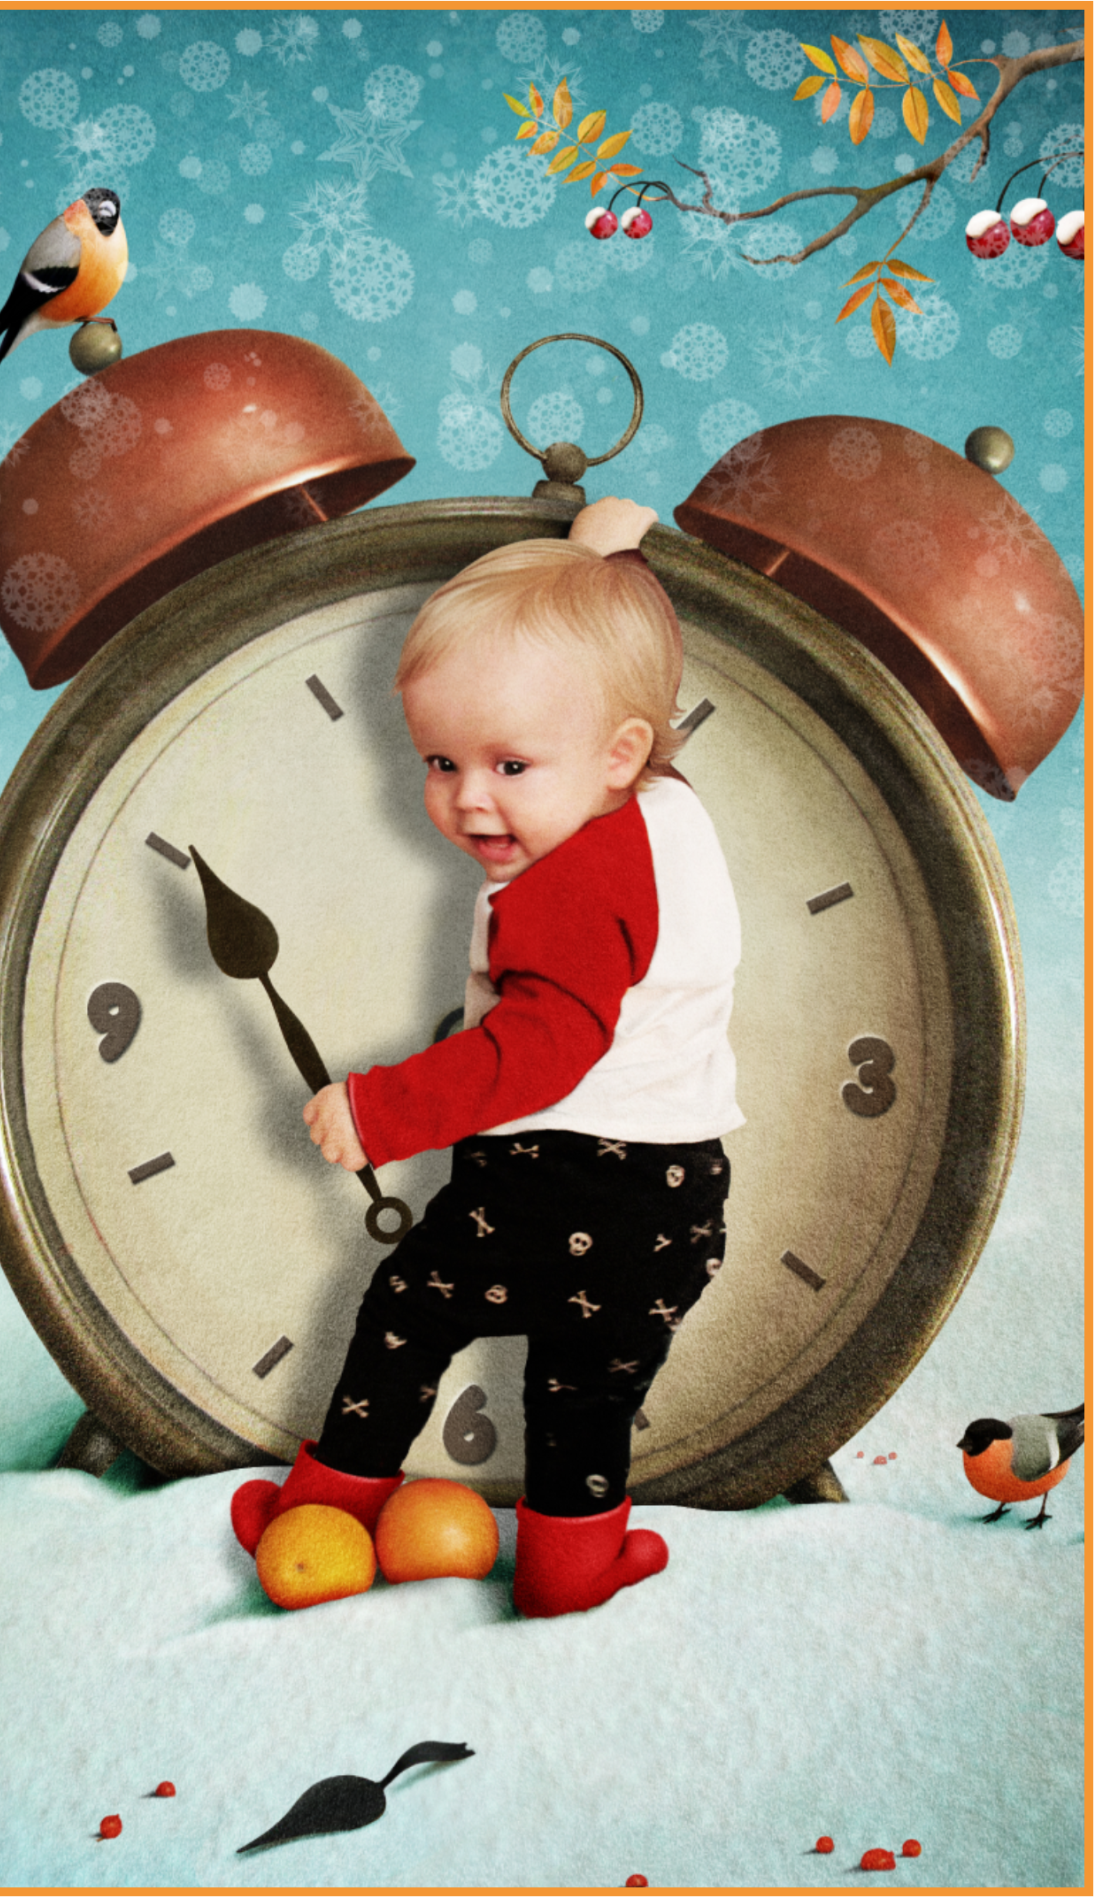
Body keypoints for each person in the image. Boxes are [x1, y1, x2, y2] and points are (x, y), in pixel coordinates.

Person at [231, 496, 743, 1616]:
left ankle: (327, 1507)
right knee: (586, 1389)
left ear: (617, 752)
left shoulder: (562, 895)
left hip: (563, 1176)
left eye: (511, 764)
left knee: (407, 1314)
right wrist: (597, 562)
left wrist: (380, 1110)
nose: (470, 796)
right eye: (441, 758)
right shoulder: (662, 809)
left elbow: (538, 1050)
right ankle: (570, 1567)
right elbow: (607, 683)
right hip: (677, 1189)